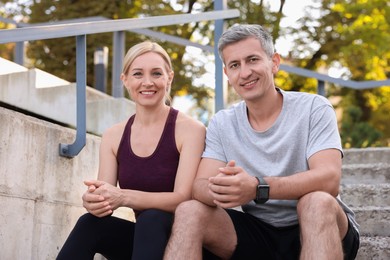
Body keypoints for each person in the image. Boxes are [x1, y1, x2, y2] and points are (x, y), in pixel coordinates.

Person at [164, 24, 360, 260]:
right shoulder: (222, 122)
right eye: (235, 65)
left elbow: (329, 179)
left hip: (322, 228)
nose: (245, 73)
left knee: (316, 201)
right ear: (227, 74)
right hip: (258, 232)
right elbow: (199, 187)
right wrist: (222, 189)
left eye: (253, 60)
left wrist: (257, 188)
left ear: (274, 62)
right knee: (189, 210)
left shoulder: (314, 108)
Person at [57, 41, 206, 260]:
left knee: (153, 217)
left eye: (156, 73)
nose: (147, 82)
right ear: (125, 80)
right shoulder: (113, 135)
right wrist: (94, 201)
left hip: (186, 243)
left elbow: (182, 199)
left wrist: (123, 197)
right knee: (90, 223)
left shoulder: (191, 130)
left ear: (169, 78)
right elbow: (106, 200)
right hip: (144, 244)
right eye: (137, 74)